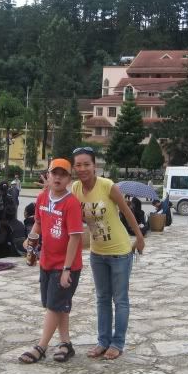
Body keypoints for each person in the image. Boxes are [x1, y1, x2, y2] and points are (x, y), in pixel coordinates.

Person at [71, 147, 145, 361]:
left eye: (87, 164)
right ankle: (103, 341)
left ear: (94, 166)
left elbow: (127, 212)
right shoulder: (75, 188)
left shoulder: (107, 186)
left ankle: (117, 343)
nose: (83, 168)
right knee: (102, 298)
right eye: (78, 165)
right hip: (97, 253)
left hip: (120, 251)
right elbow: (73, 215)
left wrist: (139, 237)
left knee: (120, 299)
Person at [19, 158, 84, 364]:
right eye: (54, 173)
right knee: (58, 304)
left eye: (63, 174)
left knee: (54, 306)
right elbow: (38, 223)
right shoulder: (42, 198)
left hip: (65, 265)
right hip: (46, 261)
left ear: (69, 179)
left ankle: (41, 347)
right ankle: (66, 343)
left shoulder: (71, 203)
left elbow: (75, 237)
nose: (57, 177)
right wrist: (30, 240)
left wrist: (67, 269)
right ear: (48, 175)